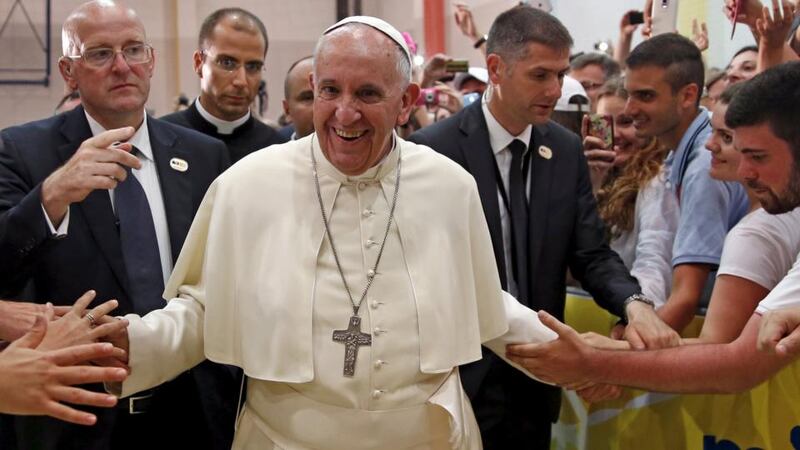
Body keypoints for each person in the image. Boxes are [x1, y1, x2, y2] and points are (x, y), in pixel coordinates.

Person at [103, 16, 563, 449]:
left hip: (427, 436)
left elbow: (483, 301)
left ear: (406, 102)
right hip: (286, 439)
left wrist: (576, 358)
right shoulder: (247, 185)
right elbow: (206, 309)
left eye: (367, 93)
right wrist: (132, 344)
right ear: (313, 89)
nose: (345, 114)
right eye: (330, 90)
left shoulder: (451, 186)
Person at [409, 6, 678, 448]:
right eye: (540, 75)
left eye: (561, 73)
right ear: (496, 68)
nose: (555, 89)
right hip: (458, 380)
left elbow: (591, 253)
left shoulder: (565, 148)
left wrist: (633, 304)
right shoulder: (432, 151)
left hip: (536, 381)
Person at [0, 1, 229, 448]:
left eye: (134, 50)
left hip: (188, 411)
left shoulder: (203, 155)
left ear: (152, 61)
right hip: (78, 416)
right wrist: (52, 195)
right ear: (69, 72)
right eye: (100, 53)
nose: (122, 66)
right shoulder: (23, 150)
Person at [506, 61, 800, 394]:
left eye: (757, 156)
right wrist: (610, 352)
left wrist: (595, 360)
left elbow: (738, 361)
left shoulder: (755, 229)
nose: (744, 172)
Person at [622, 33, 749, 333]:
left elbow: (685, 300)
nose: (629, 109)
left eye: (645, 96)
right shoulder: (690, 149)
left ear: (688, 96)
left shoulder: (705, 165)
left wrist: (614, 359)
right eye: (629, 94)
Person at [592, 78, 677, 308]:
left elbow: (654, 262)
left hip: (634, 309)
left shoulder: (658, 180)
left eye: (625, 122)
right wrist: (591, 182)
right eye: (604, 124)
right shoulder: (597, 174)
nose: (614, 134)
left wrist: (639, 314)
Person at [161, 8, 286, 163]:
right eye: (227, 63)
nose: (241, 81)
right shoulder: (160, 138)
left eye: (253, 67)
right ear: (199, 63)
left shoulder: (277, 149)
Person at [280, 55, 314, 140]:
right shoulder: (269, 151)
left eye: (330, 93)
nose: (321, 107)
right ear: (287, 110)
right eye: (308, 98)